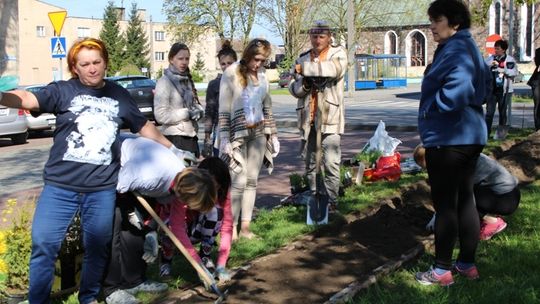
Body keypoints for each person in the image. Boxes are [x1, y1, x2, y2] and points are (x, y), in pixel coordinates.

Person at [0, 37, 180, 303]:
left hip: (101, 189)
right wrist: (3, 96)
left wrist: (172, 148)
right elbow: (28, 97)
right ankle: (38, 300)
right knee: (44, 245)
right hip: (60, 187)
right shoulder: (62, 90)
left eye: (97, 62)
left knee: (97, 248)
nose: (92, 68)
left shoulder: (118, 95)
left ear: (105, 62)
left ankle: (89, 298)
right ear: (75, 67)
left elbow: (141, 125)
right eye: (85, 64)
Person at [415, 0, 491, 287]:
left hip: (449, 138)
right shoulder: (468, 47)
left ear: (455, 23)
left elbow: (456, 91)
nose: (432, 26)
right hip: (469, 135)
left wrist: (432, 108)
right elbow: (484, 88)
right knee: (465, 200)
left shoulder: (457, 49)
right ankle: (466, 264)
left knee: (446, 204)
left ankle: (441, 270)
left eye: (437, 20)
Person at [217, 38, 279, 240]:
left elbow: (267, 105)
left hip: (259, 132)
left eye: (263, 60)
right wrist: (225, 137)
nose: (259, 64)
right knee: (238, 180)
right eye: (256, 59)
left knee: (252, 180)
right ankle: (231, 228)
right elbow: (224, 107)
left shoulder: (262, 75)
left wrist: (273, 132)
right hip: (238, 134)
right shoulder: (231, 73)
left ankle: (245, 227)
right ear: (248, 55)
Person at [288, 20, 347, 211]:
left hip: (330, 117)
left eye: (321, 36)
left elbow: (333, 70)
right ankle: (315, 198)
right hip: (308, 119)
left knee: (331, 162)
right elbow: (293, 87)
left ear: (329, 37)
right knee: (311, 163)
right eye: (314, 36)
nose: (317, 40)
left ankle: (332, 201)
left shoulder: (338, 54)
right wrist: (303, 84)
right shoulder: (302, 57)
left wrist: (304, 70)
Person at [414, 145, 521, 241]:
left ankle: (493, 222)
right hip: (509, 193)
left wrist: (437, 219)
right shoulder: (455, 155)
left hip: (505, 199)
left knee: (461, 199)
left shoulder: (454, 165)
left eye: (428, 167)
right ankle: (485, 216)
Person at [159, 157, 234, 282]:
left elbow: (227, 227)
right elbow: (176, 226)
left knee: (215, 212)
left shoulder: (223, 193)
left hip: (196, 229)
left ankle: (205, 256)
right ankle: (166, 260)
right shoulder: (185, 187)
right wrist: (196, 263)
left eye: (216, 186)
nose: (212, 190)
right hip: (173, 227)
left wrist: (221, 264)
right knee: (169, 228)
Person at [154, 42, 204, 158]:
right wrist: (187, 113)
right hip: (175, 139)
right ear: (171, 59)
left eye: (187, 59)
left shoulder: (186, 80)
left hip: (191, 137)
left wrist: (199, 111)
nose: (184, 62)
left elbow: (193, 104)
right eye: (180, 58)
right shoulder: (164, 82)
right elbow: (160, 115)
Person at [203, 41, 238, 158]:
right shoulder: (214, 84)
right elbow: (209, 110)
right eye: (223, 64)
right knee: (222, 169)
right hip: (221, 131)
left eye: (230, 63)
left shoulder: (243, 81)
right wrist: (207, 136)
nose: (227, 67)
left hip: (240, 130)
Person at [484, 39, 519, 139]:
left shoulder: (510, 60)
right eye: (495, 48)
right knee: (489, 113)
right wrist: (489, 66)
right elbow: (482, 67)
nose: (496, 51)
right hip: (492, 90)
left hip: (505, 90)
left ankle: (500, 135)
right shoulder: (491, 59)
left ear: (503, 50)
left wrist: (502, 69)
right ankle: (486, 134)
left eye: (498, 49)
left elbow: (513, 72)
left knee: (502, 113)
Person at [528, 47, 540, 131]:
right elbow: (537, 63)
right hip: (538, 80)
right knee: (538, 105)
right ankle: (538, 127)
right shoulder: (538, 51)